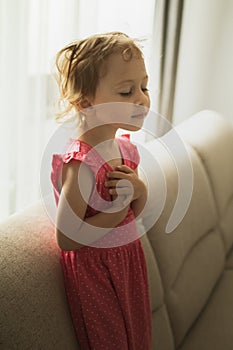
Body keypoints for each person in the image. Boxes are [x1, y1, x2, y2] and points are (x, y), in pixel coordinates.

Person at [51, 32, 152, 350]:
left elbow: (137, 209)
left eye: (144, 87)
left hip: (127, 262)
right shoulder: (82, 164)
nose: (142, 99)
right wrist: (115, 211)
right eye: (126, 91)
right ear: (85, 102)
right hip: (96, 274)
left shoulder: (124, 149)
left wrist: (139, 189)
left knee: (136, 333)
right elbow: (67, 238)